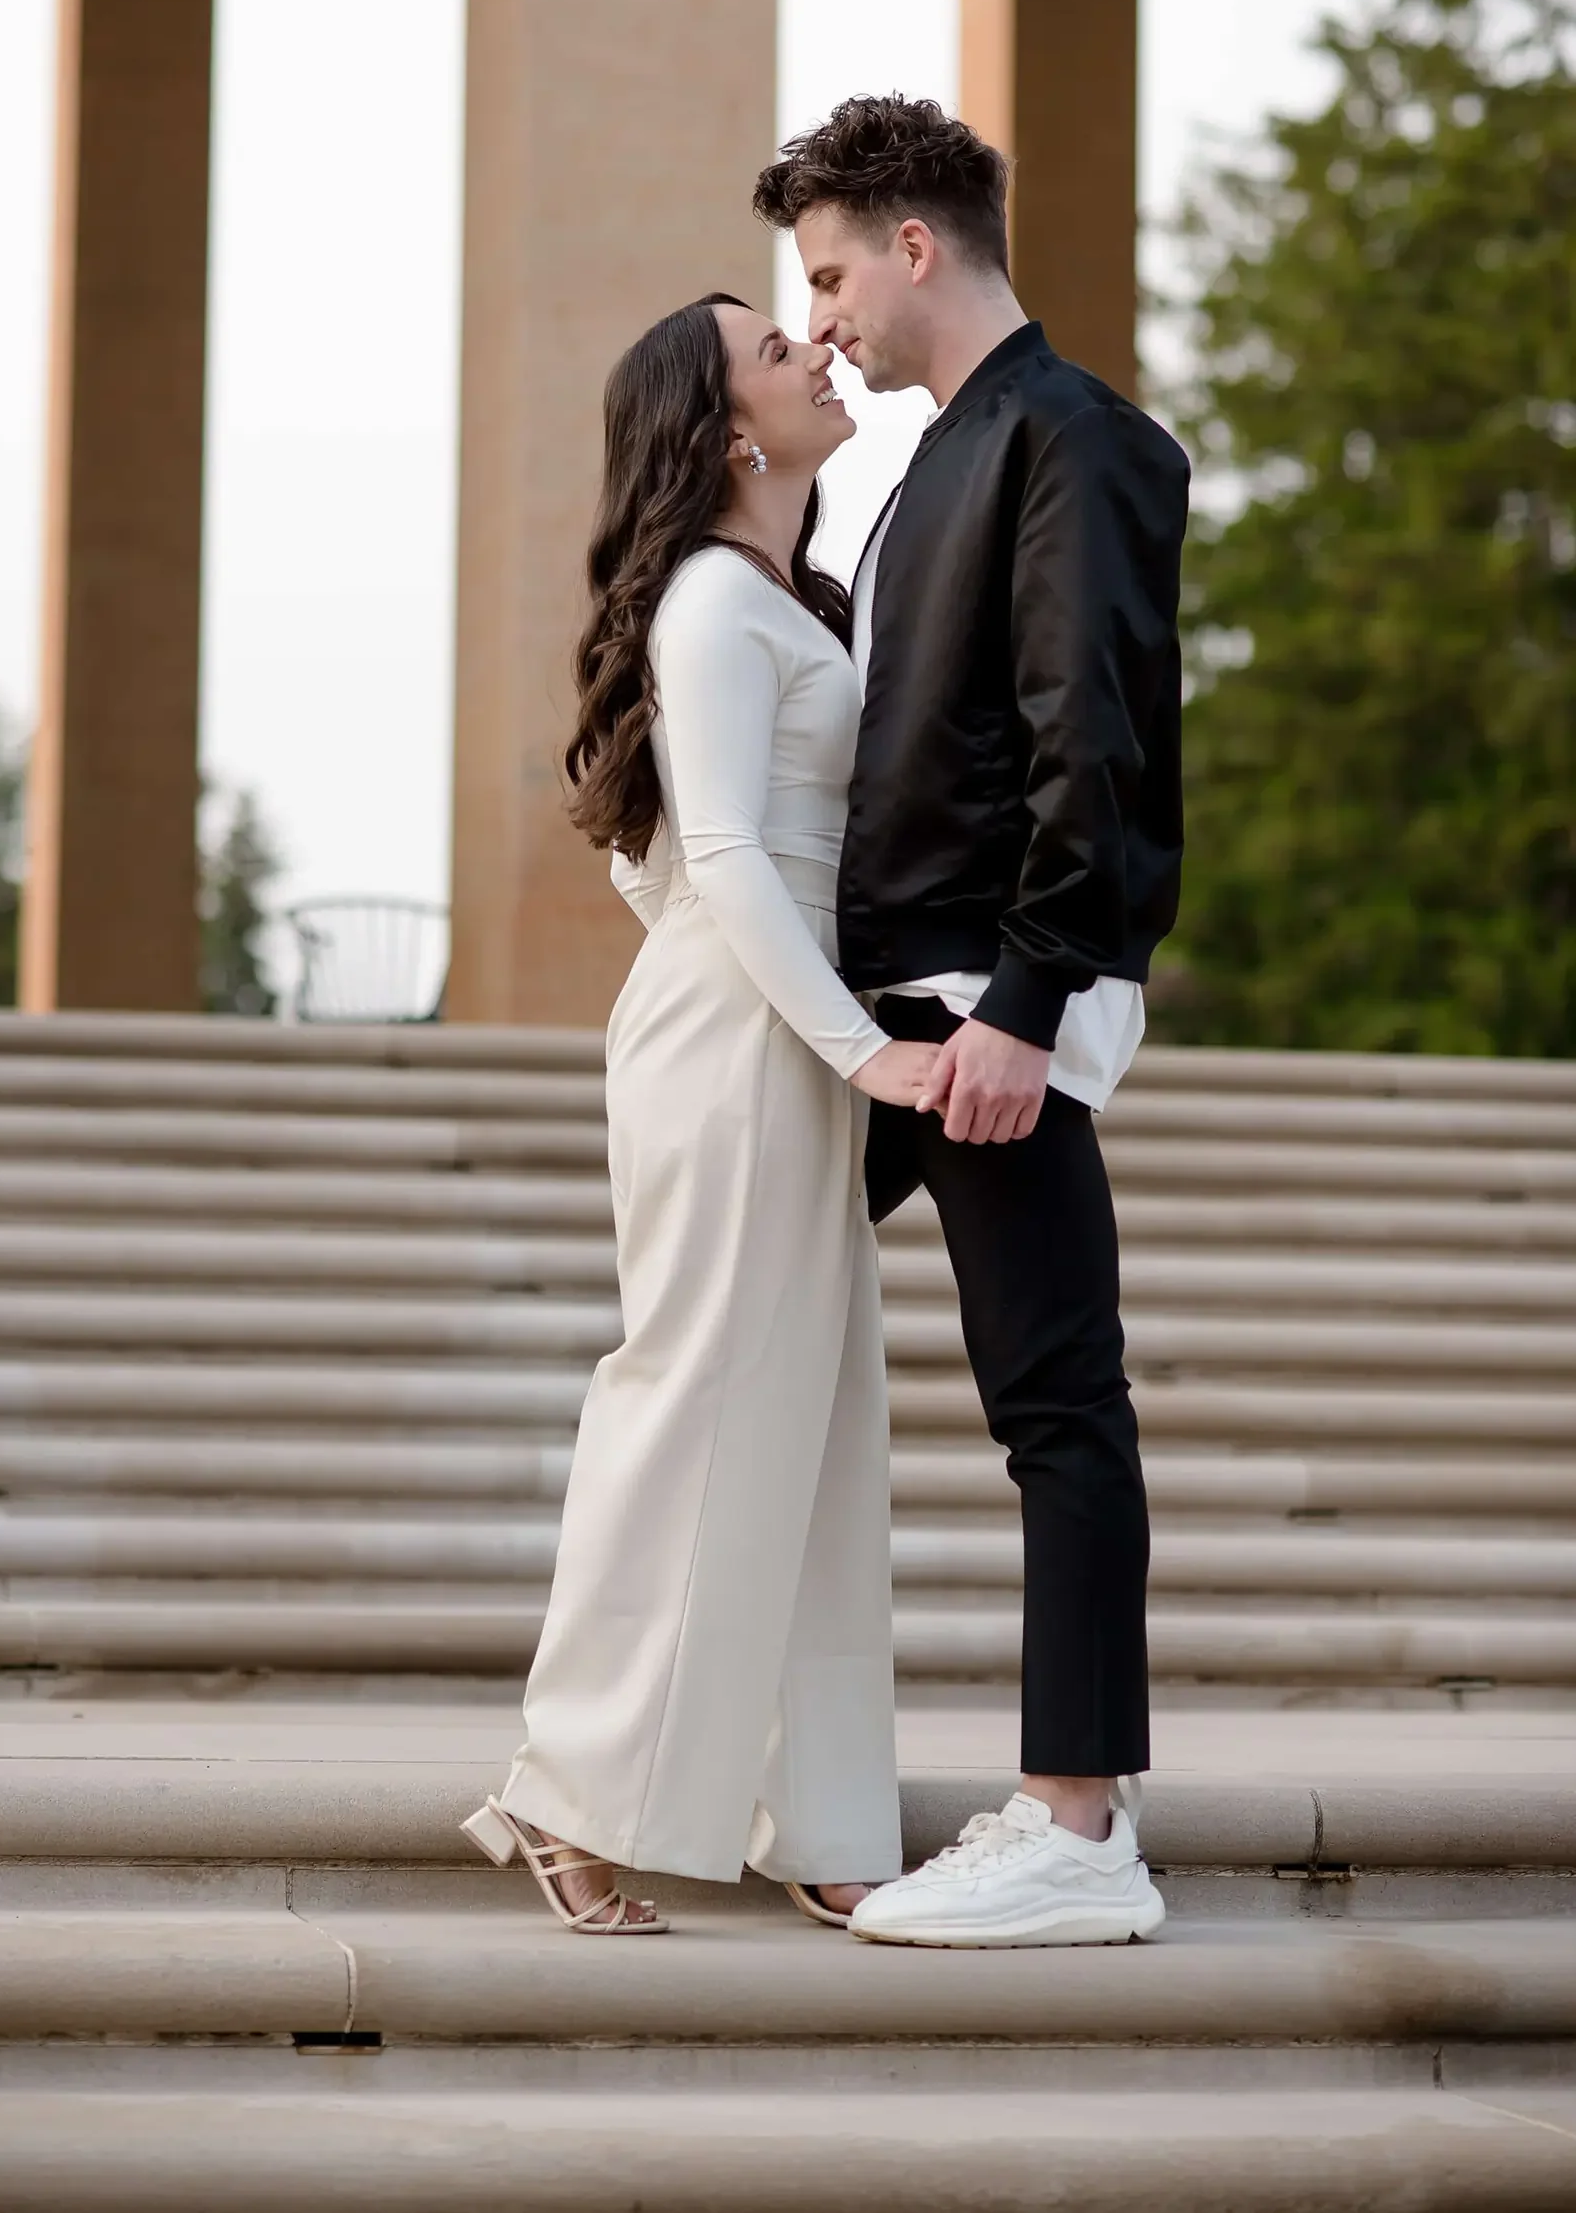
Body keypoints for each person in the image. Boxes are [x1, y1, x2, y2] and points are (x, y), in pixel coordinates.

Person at [752, 94, 1188, 1949]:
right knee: (728, 1354)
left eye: (834, 273)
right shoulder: (923, 465)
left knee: (1060, 1408)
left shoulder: (1081, 440)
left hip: (976, 1015)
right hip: (879, 1019)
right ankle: (732, 1757)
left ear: (916, 245)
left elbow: (1102, 741)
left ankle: (1080, 1824)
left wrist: (1028, 999)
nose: (827, 316)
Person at [463, 293, 938, 1933]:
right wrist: (866, 1050)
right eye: (771, 348)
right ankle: (568, 1790)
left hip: (768, 1021)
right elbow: (725, 856)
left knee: (820, 1430)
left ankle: (819, 1809)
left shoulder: (777, 601)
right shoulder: (711, 607)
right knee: (690, 1402)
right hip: (748, 1039)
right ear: (726, 426)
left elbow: (652, 851)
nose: (817, 348)